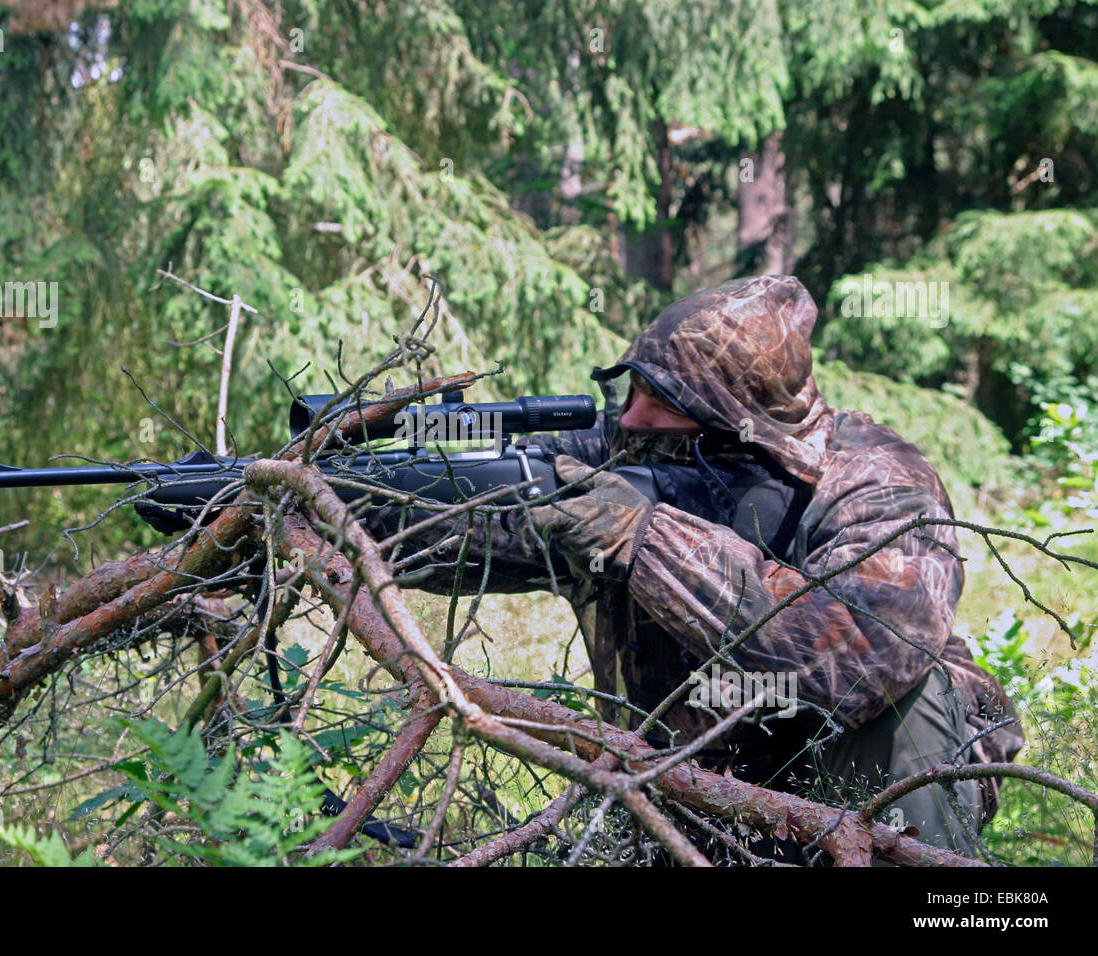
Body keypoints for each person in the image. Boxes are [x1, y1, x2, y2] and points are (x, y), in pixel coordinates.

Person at [368, 274, 1023, 862]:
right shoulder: (616, 448)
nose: (632, 415)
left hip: (854, 784)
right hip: (688, 787)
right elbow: (472, 517)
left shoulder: (875, 480)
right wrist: (335, 503)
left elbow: (864, 657)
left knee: (914, 697)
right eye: (634, 389)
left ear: (740, 416)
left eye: (665, 397)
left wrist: (644, 537)